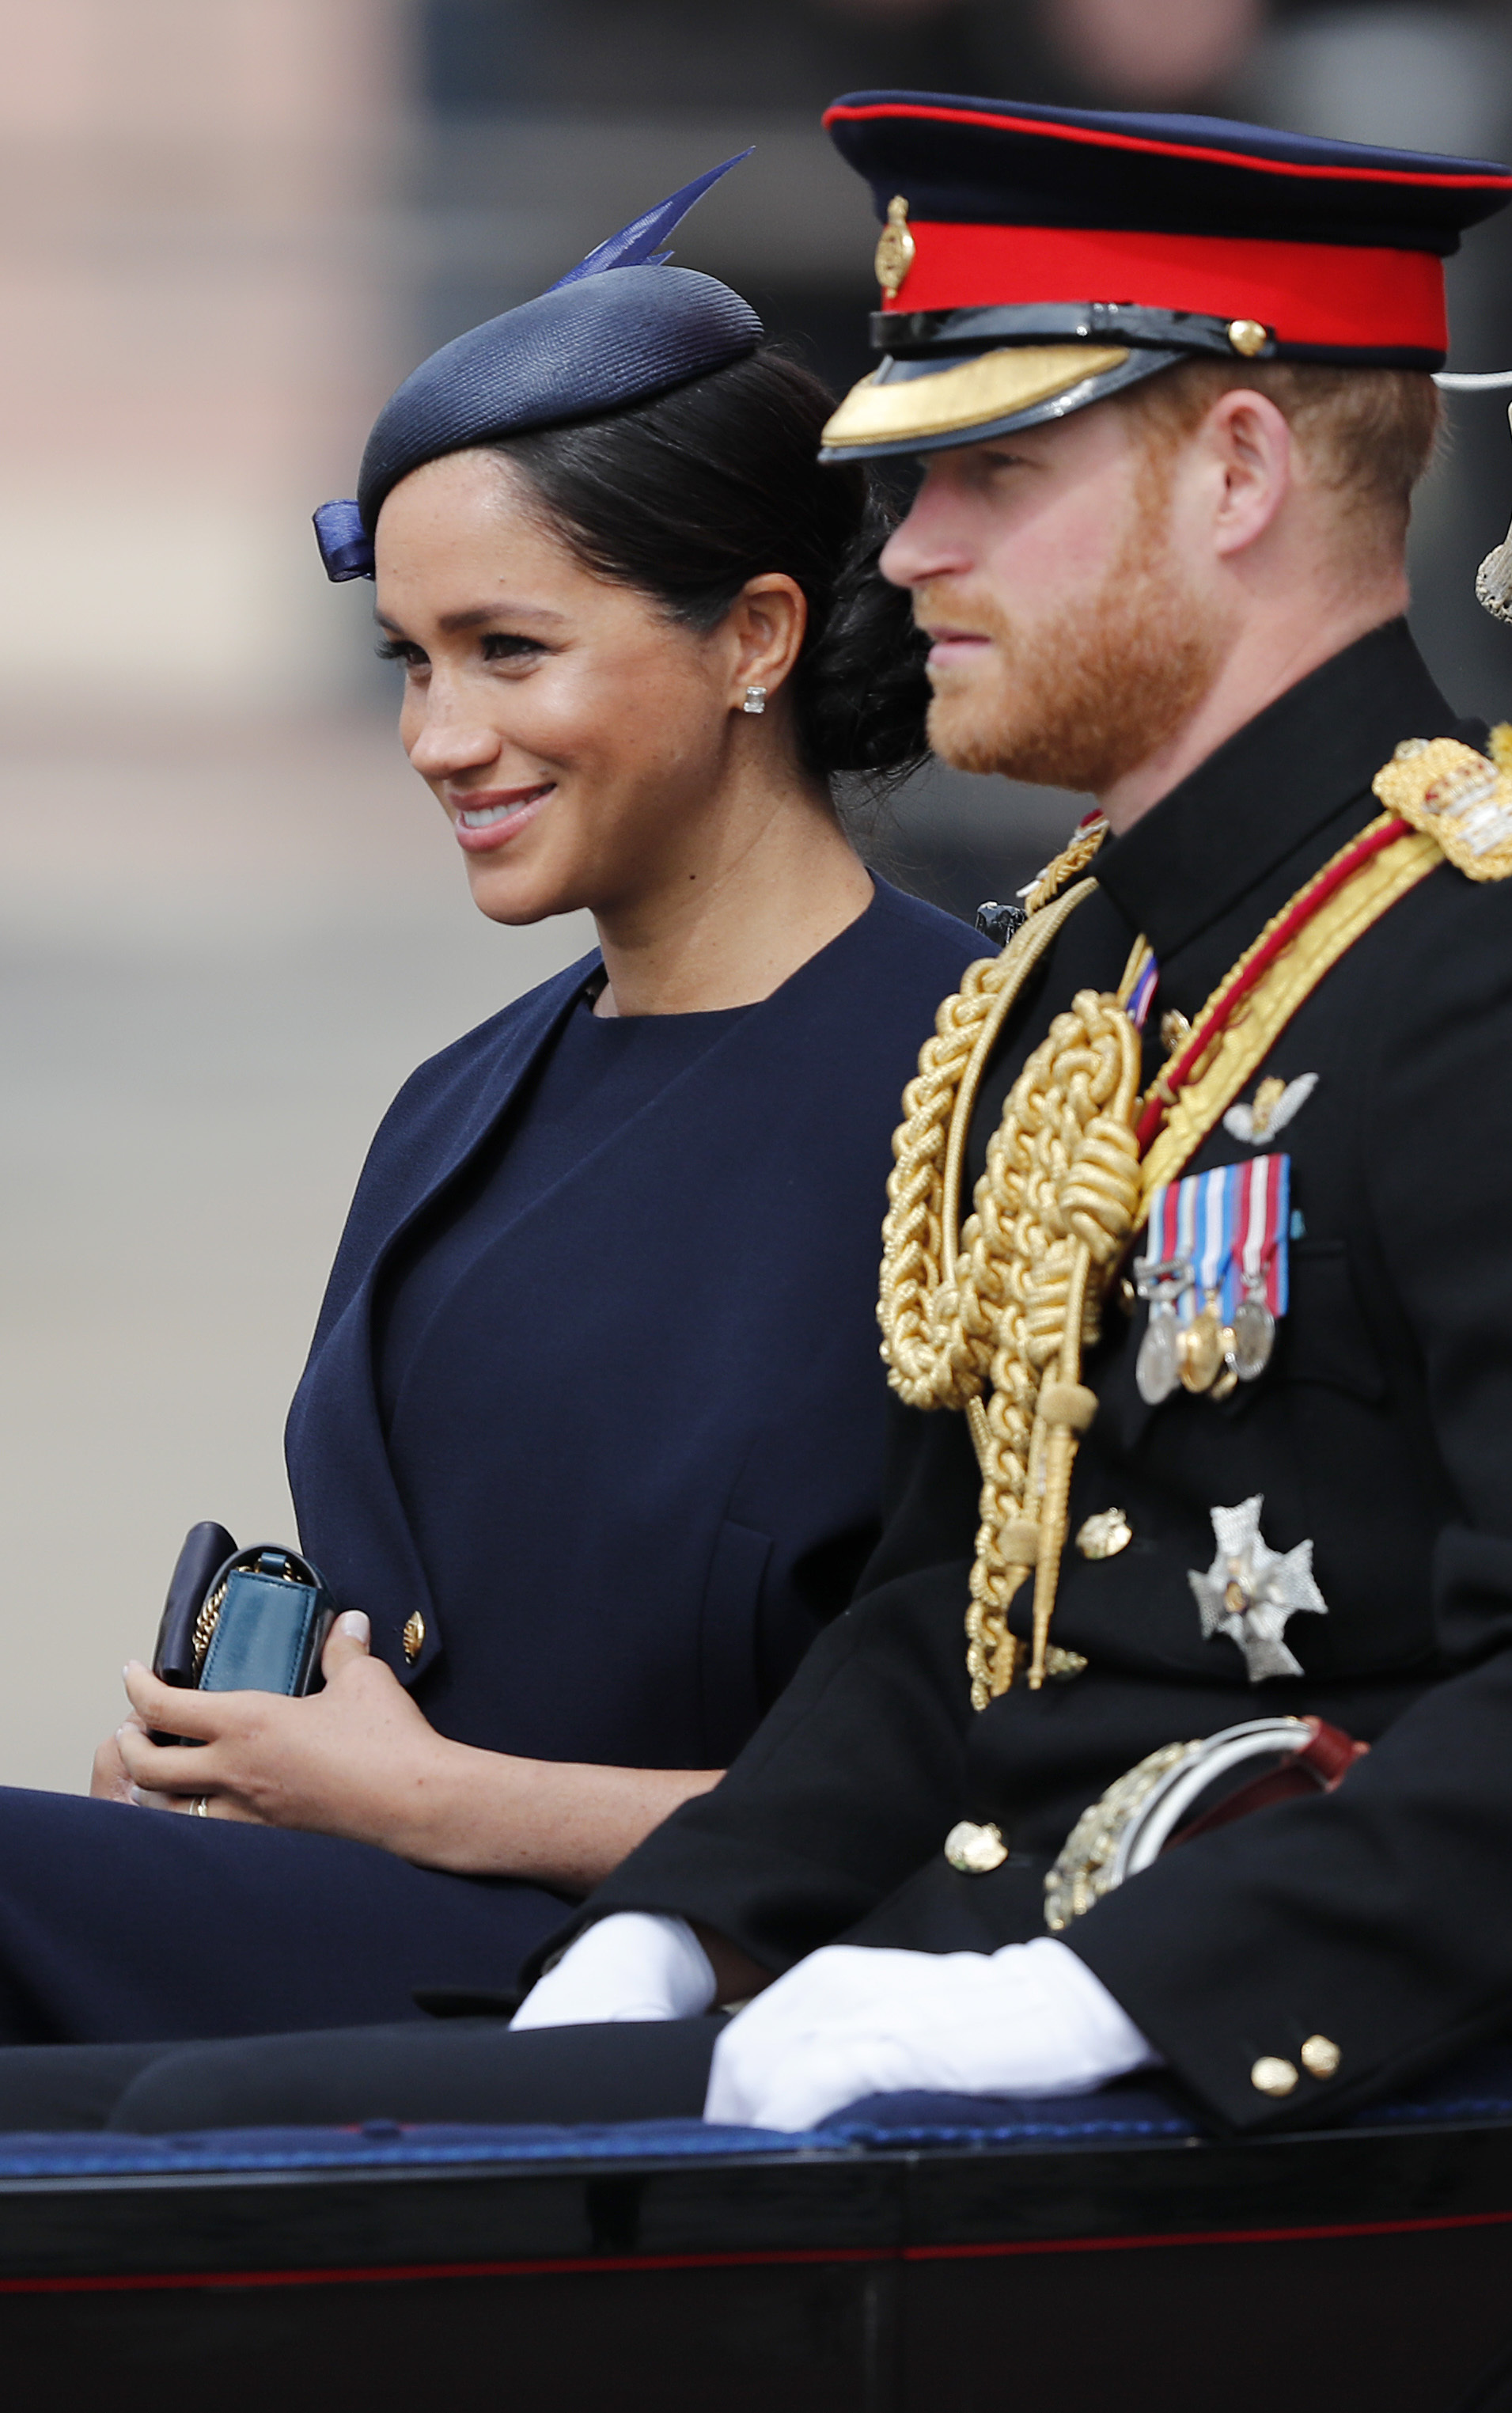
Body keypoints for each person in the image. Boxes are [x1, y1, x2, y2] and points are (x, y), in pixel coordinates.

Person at [0, 91, 1512, 2136]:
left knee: (130, 2162)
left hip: (1280, 2077)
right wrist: (677, 1924)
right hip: (919, 1981)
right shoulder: (1079, 967)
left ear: (1230, 469)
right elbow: (952, 1607)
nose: (908, 548)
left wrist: (1093, 2002)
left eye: (986, 474)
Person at [0, 161, 983, 2050]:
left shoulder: (975, 1085)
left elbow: (1011, 1806)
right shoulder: (460, 1100)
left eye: (510, 652)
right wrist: (242, 1779)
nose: (440, 739)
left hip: (682, 2035)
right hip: (360, 1970)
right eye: (413, 661)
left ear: (755, 640)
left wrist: (423, 1797)